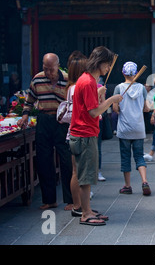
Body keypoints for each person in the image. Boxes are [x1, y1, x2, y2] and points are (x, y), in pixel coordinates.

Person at [69, 46, 123, 226]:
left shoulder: (85, 80)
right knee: (86, 176)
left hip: (80, 132)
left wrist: (99, 94)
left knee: (81, 173)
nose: (108, 68)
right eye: (107, 64)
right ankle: (85, 213)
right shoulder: (88, 82)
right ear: (100, 63)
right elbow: (93, 112)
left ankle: (84, 208)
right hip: (85, 134)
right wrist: (111, 100)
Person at [17, 53, 73, 210]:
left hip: (62, 122)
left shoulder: (67, 80)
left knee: (66, 159)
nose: (48, 73)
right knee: (43, 160)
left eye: (51, 69)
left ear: (58, 65)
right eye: (45, 69)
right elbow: (29, 100)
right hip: (44, 120)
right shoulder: (37, 79)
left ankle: (70, 199)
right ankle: (49, 200)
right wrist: (25, 116)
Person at [113, 61, 151, 196]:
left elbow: (115, 109)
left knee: (125, 157)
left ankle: (127, 186)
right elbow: (146, 108)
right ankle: (144, 181)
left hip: (124, 128)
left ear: (123, 72)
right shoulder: (141, 88)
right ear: (135, 73)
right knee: (139, 156)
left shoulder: (118, 88)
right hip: (139, 127)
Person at [63, 55, 88, 217]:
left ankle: (78, 205)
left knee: (76, 171)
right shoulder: (76, 88)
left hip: (72, 132)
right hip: (78, 132)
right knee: (78, 171)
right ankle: (79, 206)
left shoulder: (70, 88)